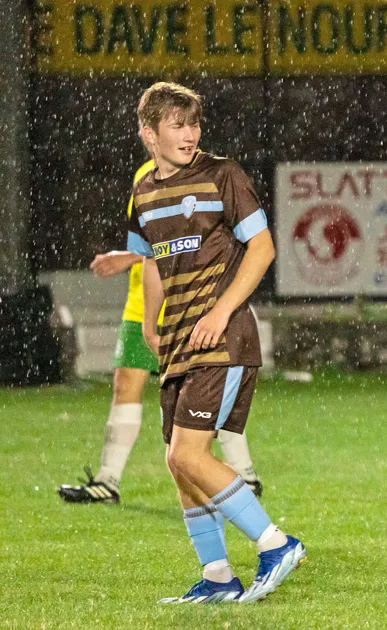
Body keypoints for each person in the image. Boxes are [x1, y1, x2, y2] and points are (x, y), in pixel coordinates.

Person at [125, 82, 304, 604]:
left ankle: (276, 544)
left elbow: (263, 247)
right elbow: (154, 260)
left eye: (194, 124)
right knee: (178, 464)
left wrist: (221, 309)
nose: (189, 134)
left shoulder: (222, 174)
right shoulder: (143, 192)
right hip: (179, 338)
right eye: (177, 125)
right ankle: (219, 578)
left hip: (223, 336)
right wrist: (149, 324)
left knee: (190, 453)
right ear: (148, 134)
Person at [58, 160, 263, 505]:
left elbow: (191, 241)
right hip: (143, 303)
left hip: (191, 302)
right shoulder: (143, 176)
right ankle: (108, 481)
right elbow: (152, 241)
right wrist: (134, 261)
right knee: (126, 383)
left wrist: (125, 258)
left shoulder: (208, 174)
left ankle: (243, 474)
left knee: (203, 394)